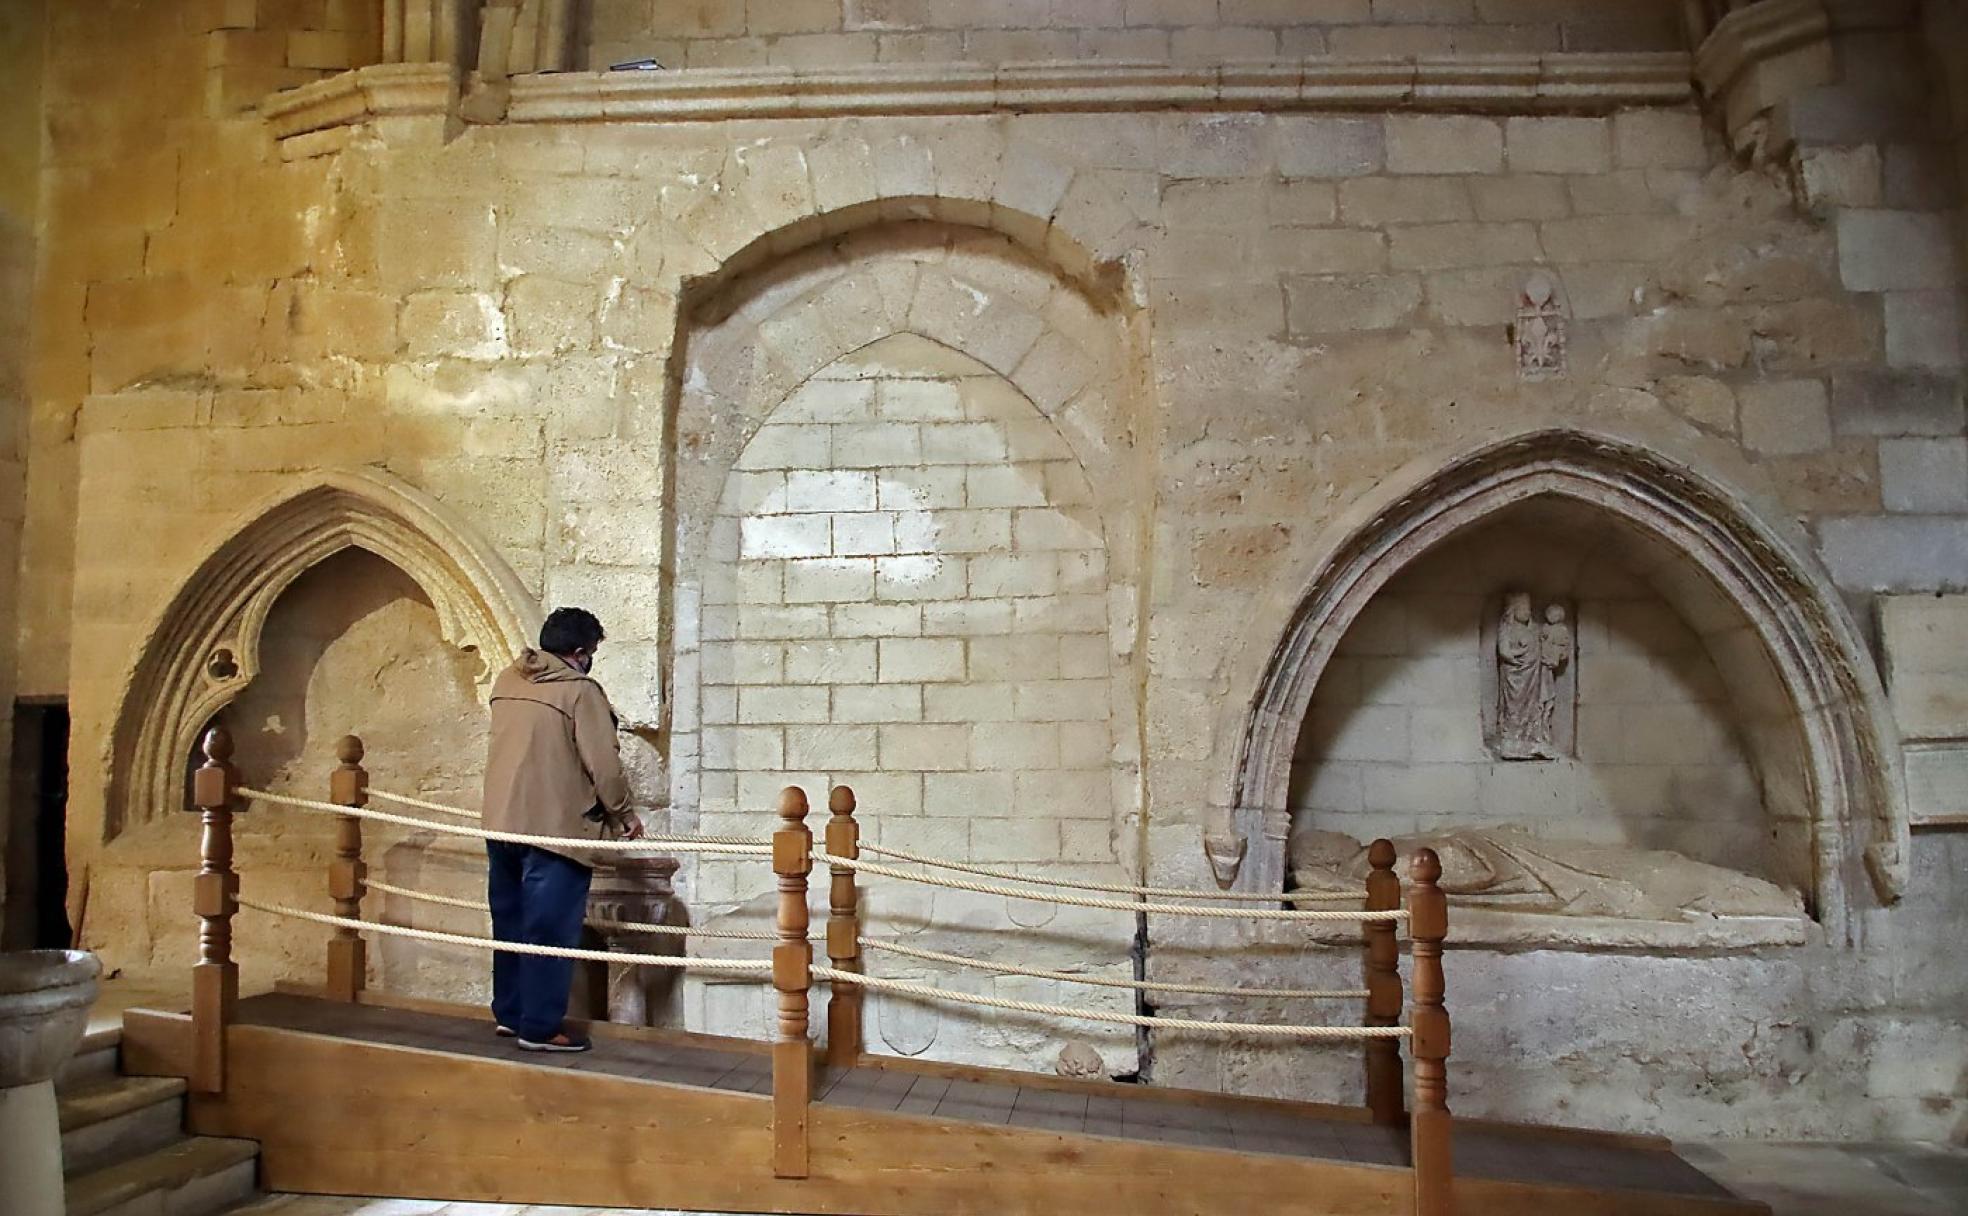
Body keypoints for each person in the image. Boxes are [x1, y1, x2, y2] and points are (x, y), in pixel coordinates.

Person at [481, 606, 644, 1053]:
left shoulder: (506, 681)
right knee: (549, 930)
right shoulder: (579, 691)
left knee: (510, 923)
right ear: (579, 653)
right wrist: (624, 816)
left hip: (501, 823)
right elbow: (604, 766)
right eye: (590, 652)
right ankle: (539, 1028)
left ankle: (511, 1016)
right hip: (555, 829)